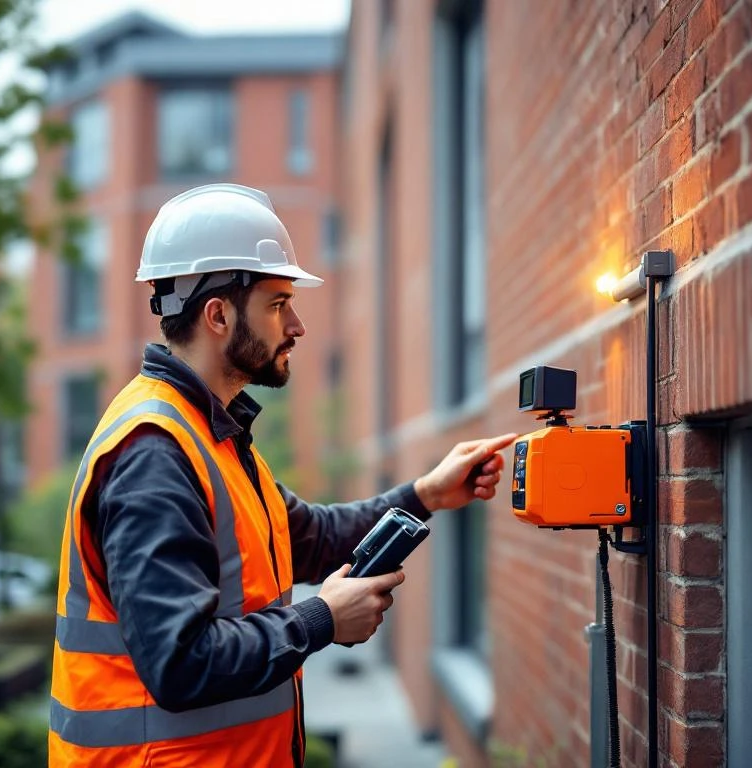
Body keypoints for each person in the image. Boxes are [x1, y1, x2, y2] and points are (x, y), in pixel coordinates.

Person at [48, 183, 515, 767]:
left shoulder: (211, 436)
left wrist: (425, 494)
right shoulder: (155, 453)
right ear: (218, 315)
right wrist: (323, 618)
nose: (296, 325)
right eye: (277, 304)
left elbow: (310, 537)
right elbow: (180, 662)